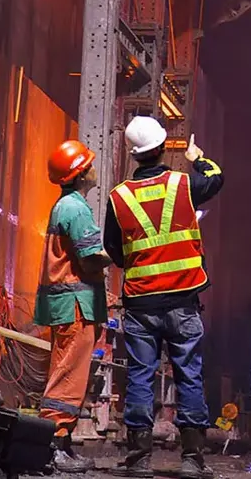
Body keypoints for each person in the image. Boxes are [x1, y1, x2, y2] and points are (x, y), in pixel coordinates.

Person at [104, 115, 224, 478]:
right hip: (183, 299)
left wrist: (143, 266)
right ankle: (191, 459)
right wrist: (197, 157)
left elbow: (114, 247)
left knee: (140, 375)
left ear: (134, 154)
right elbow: (215, 179)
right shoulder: (184, 184)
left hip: (141, 302)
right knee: (188, 374)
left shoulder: (118, 197)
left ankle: (139, 459)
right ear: (161, 149)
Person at [33, 138, 109, 473]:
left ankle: (61, 443)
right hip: (76, 306)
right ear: (81, 174)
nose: (94, 167)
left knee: (67, 373)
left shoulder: (64, 205)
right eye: (89, 163)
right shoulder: (77, 209)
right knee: (67, 376)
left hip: (68, 304)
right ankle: (51, 447)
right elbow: (91, 258)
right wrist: (124, 254)